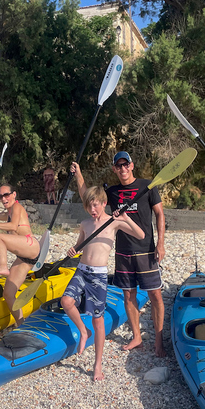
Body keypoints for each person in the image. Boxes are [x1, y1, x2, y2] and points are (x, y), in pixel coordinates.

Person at [73, 152, 167, 357]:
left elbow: (160, 214)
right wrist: (78, 174)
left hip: (146, 249)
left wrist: (160, 243)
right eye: (119, 166)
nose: (123, 169)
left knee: (155, 295)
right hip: (123, 252)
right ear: (114, 169)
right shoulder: (113, 192)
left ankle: (159, 341)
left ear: (132, 165)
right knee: (128, 295)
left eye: (126, 164)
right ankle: (137, 337)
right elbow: (88, 197)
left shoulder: (147, 186)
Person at [61, 186, 145, 381]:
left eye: (96, 205)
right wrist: (73, 250)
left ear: (104, 203)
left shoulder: (113, 222)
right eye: (89, 206)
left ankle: (97, 364)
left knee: (98, 320)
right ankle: (83, 331)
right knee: (66, 301)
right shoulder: (85, 224)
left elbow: (140, 235)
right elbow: (80, 245)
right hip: (82, 271)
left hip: (98, 276)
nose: (92, 210)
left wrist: (126, 218)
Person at [0, 184, 40, 326]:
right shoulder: (9, 212)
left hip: (31, 246)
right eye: (1, 196)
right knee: (8, 294)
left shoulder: (17, 207)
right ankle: (21, 324)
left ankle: (3, 266)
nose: (3, 199)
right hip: (24, 258)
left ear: (14, 195)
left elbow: (13, 226)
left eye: (6, 195)